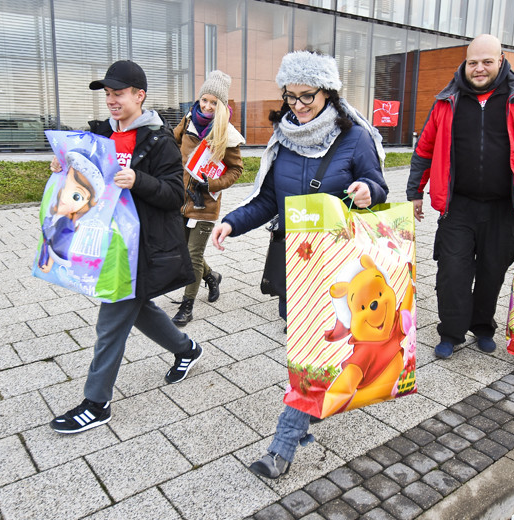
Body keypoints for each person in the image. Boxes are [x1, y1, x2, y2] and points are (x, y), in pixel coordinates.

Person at [211, 50, 388, 478]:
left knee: (311, 354)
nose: (298, 105)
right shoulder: (283, 139)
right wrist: (232, 223)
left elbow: (378, 185)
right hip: (299, 262)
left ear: (328, 92)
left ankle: (281, 448)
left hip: (343, 264)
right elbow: (269, 200)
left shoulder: (355, 138)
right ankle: (313, 409)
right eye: (290, 97)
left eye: (307, 95)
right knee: (310, 349)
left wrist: (366, 188)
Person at [49, 60, 204, 434]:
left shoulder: (159, 140)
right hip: (108, 241)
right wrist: (62, 167)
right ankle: (187, 349)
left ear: (139, 95)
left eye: (118, 93)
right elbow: (86, 178)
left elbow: (175, 195)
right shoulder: (97, 135)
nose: (111, 101)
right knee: (139, 308)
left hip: (142, 248)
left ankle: (96, 402)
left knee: (112, 318)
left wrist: (138, 180)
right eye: (108, 94)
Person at [406, 34, 514, 360]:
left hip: (503, 208)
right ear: (465, 63)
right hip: (457, 206)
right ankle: (451, 332)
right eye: (473, 62)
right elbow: (424, 148)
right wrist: (415, 192)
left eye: (487, 62)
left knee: (492, 272)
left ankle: (482, 327)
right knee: (452, 271)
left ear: (501, 60)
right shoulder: (446, 100)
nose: (478, 69)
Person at [171, 70, 245, 326]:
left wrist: (212, 183)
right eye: (205, 100)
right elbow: (172, 146)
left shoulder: (228, 135)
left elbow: (237, 170)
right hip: (180, 199)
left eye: (214, 102)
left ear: (222, 105)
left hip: (206, 203)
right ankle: (211, 276)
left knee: (191, 256)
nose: (207, 106)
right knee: (183, 251)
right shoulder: (188, 121)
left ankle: (187, 305)